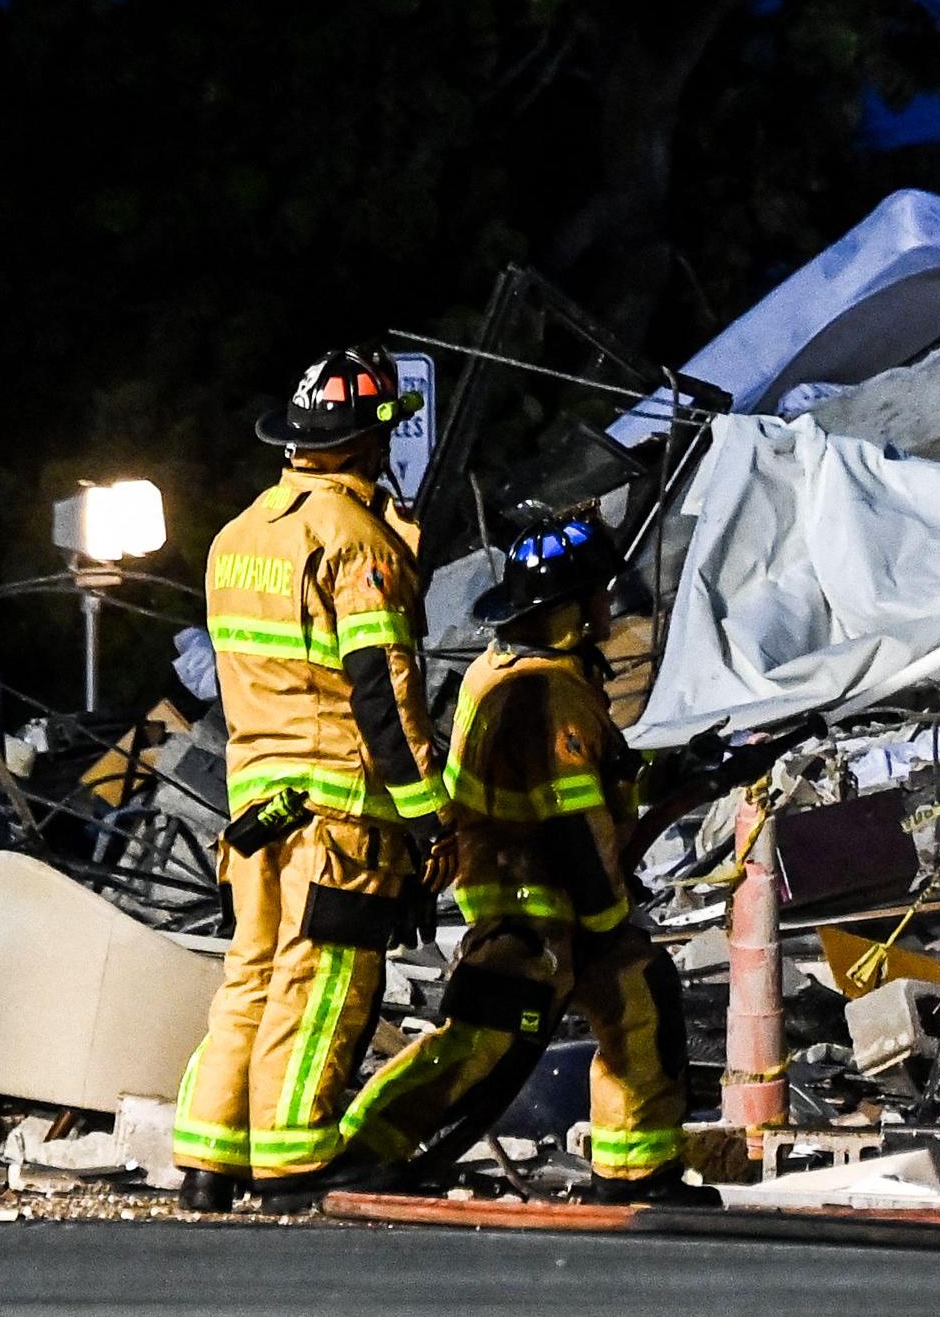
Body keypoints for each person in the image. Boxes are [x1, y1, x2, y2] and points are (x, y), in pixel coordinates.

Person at [337, 510, 697, 1202]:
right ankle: (364, 1152)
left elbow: (589, 781)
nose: (608, 604)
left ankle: (636, 1170)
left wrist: (664, 774)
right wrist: (605, 914)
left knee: (636, 996)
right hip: (533, 901)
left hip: (537, 894)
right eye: (596, 591)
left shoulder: (518, 667)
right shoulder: (548, 686)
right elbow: (569, 818)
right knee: (480, 1042)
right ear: (569, 605)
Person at [174, 348, 450, 1213]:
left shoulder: (238, 537)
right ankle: (293, 1164)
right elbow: (385, 694)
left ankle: (208, 1162)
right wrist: (430, 820)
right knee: (322, 981)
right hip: (338, 811)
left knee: (251, 974)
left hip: (254, 805)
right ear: (372, 442)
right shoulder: (357, 543)